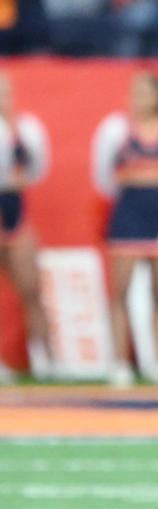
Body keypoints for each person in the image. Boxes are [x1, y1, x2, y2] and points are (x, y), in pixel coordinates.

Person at [92, 71, 158, 387]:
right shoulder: (114, 130)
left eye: (145, 93)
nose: (137, 99)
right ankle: (120, 362)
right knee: (120, 292)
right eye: (133, 92)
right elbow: (102, 176)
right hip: (127, 211)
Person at [0, 72, 50, 382]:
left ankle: (43, 357)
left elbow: (38, 169)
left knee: (31, 286)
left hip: (14, 209)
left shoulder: (27, 128)